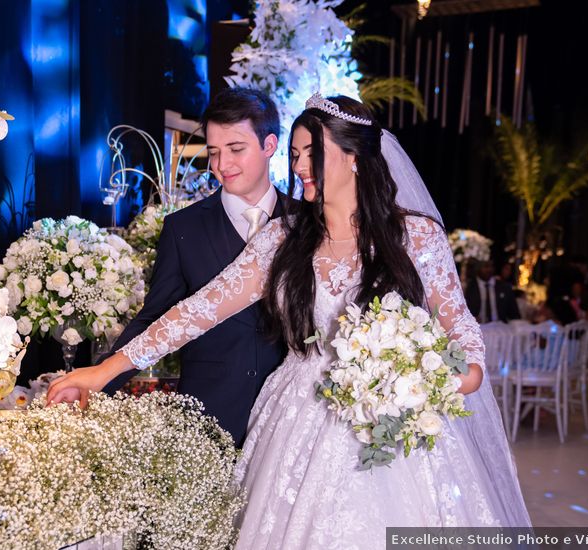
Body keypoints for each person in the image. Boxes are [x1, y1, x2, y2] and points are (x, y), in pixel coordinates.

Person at [49, 95, 529, 545]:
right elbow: (196, 311)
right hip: (299, 414)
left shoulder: (417, 237)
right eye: (295, 154)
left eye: (310, 153)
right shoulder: (283, 237)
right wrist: (103, 371)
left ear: (353, 156)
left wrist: (446, 377)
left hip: (393, 422)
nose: (298, 166)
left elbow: (461, 328)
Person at [99, 87, 288, 447]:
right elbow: (153, 317)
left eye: (235, 149)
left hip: (283, 420)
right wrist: (99, 383)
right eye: (213, 153)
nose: (221, 165)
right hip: (206, 418)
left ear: (269, 146)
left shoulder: (305, 221)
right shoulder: (182, 228)